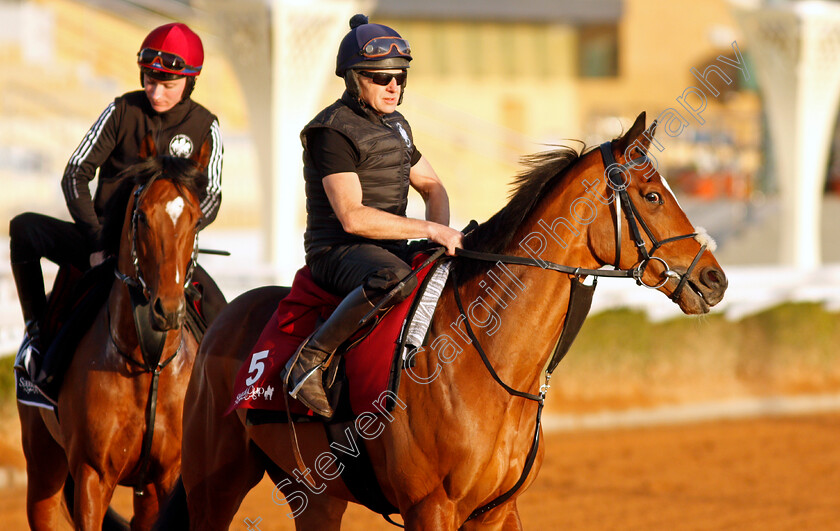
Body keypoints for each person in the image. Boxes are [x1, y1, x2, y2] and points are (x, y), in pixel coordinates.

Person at [10, 22, 224, 386]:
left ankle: (227, 390)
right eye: (149, 80)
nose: (155, 92)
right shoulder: (122, 109)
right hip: (104, 245)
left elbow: (213, 195)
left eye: (167, 85)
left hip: (167, 251)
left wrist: (173, 236)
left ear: (191, 80)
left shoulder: (207, 125)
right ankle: (36, 335)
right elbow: (75, 173)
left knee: (224, 318)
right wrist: (95, 243)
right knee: (23, 229)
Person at [283, 14, 464, 417]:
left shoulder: (398, 126)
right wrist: (430, 229)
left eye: (399, 77)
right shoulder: (331, 131)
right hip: (338, 251)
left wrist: (441, 234)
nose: (393, 86)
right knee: (397, 278)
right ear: (353, 78)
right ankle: (309, 360)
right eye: (381, 78)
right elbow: (352, 218)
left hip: (385, 248)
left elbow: (433, 186)